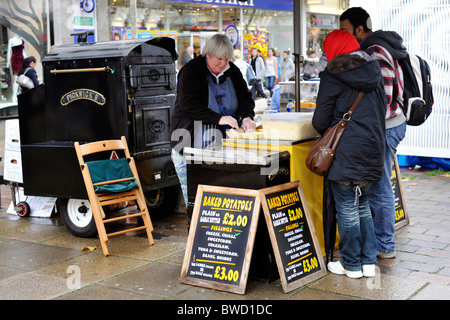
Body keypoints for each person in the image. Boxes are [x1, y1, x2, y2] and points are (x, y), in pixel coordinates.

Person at [312, 30, 386, 278]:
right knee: (363, 204)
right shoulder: (374, 71)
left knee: (346, 206)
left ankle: (351, 263)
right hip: (372, 148)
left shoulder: (333, 75)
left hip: (345, 151)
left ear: (333, 50)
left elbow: (320, 120)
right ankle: (367, 262)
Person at [340, 7, 407, 259]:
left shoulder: (375, 52)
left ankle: (385, 245)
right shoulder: (378, 47)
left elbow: (383, 99)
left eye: (345, 30)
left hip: (387, 126)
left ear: (359, 29)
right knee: (379, 184)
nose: (343, 36)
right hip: (390, 124)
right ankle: (381, 241)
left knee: (379, 187)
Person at [170, 34, 256, 205]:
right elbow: (189, 106)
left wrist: (246, 117)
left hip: (223, 145)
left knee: (222, 195)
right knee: (197, 199)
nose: (223, 63)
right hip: (189, 141)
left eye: (226, 59)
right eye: (219, 59)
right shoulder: (191, 71)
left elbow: (246, 98)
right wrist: (218, 118)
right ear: (207, 55)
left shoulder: (232, 71)